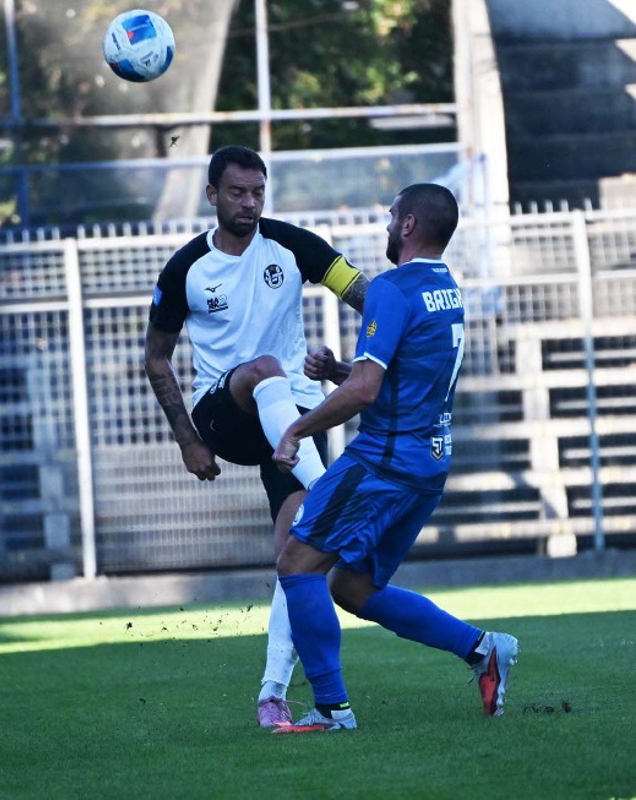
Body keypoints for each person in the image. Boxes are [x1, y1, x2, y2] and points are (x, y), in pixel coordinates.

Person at [270, 183, 518, 733]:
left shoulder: (392, 289)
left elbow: (366, 392)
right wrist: (341, 372)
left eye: (390, 217)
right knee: (351, 588)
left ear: (408, 226)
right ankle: (483, 650)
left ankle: (332, 710)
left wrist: (296, 430)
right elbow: (397, 378)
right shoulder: (446, 289)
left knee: (296, 563)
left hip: (383, 462)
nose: (385, 227)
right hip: (428, 464)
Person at [143, 145, 369, 727]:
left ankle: (272, 692)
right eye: (238, 192)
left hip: (290, 419)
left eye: (258, 192)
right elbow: (156, 358)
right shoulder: (186, 268)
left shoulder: (293, 245)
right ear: (212, 195)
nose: (250, 203)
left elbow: (361, 292)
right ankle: (330, 491)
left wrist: (378, 338)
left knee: (295, 557)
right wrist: (187, 439)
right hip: (225, 412)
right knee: (264, 366)